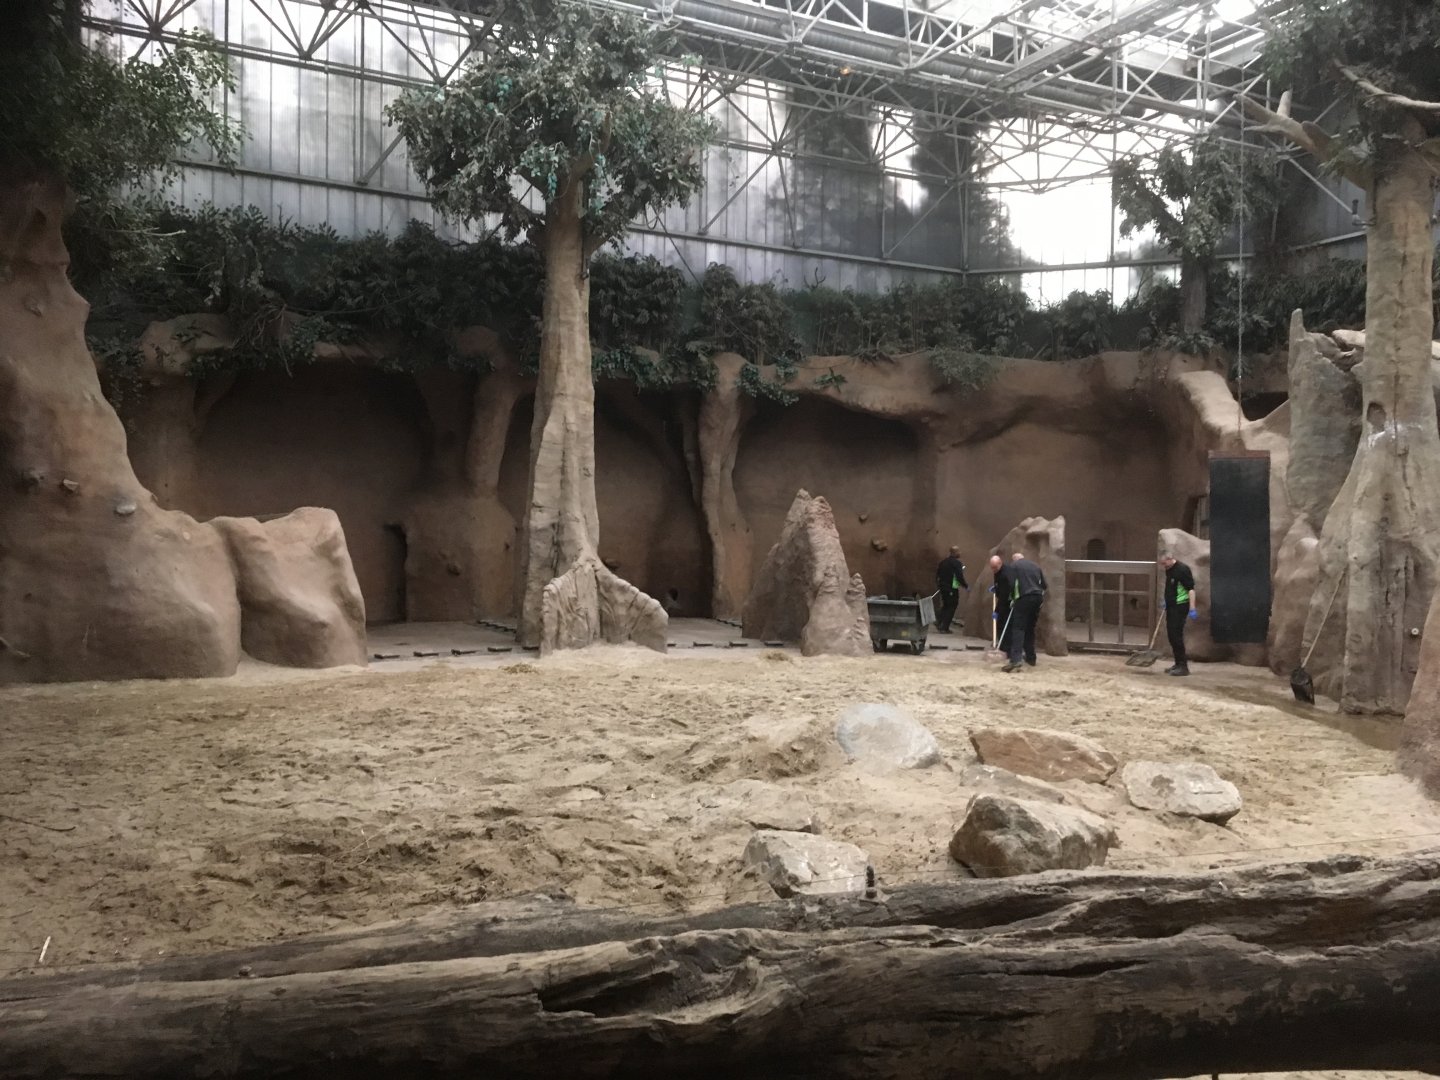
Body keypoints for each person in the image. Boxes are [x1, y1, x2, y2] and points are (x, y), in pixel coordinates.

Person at [1002, 552, 1047, 673]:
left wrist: (1012, 598)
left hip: (1024, 597)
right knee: (1030, 628)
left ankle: (1016, 659)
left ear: (1014, 560)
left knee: (1018, 628)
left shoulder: (1014, 566)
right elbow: (1044, 585)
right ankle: (1031, 658)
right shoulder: (1035, 566)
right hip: (1038, 597)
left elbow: (1012, 584)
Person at [1159, 552, 1198, 676]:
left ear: (1170, 559)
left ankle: (1183, 666)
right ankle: (1177, 663)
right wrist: (1167, 600)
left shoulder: (1182, 570)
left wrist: (1192, 608)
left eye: (1164, 563)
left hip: (1180, 606)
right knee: (1171, 635)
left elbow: (1190, 590)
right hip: (1171, 606)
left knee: (1176, 635)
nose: (1164, 566)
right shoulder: (1169, 569)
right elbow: (1171, 587)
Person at [934, 546, 968, 633]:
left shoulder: (943, 562)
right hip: (951, 588)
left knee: (946, 605)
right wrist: (966, 586)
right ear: (954, 553)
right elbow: (959, 576)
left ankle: (939, 620)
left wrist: (939, 585)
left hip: (943, 587)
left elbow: (937, 575)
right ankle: (944, 627)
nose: (960, 553)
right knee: (952, 606)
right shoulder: (956, 563)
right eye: (958, 551)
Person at [987, 554, 1013, 653]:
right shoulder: (998, 572)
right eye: (992, 568)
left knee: (1004, 624)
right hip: (1003, 598)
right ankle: (1002, 644)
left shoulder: (1005, 574)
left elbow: (1004, 596)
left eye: (995, 567)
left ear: (1000, 563)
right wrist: (996, 588)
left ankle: (1005, 647)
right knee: (1000, 624)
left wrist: (996, 610)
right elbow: (998, 585)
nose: (993, 570)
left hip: (1008, 602)